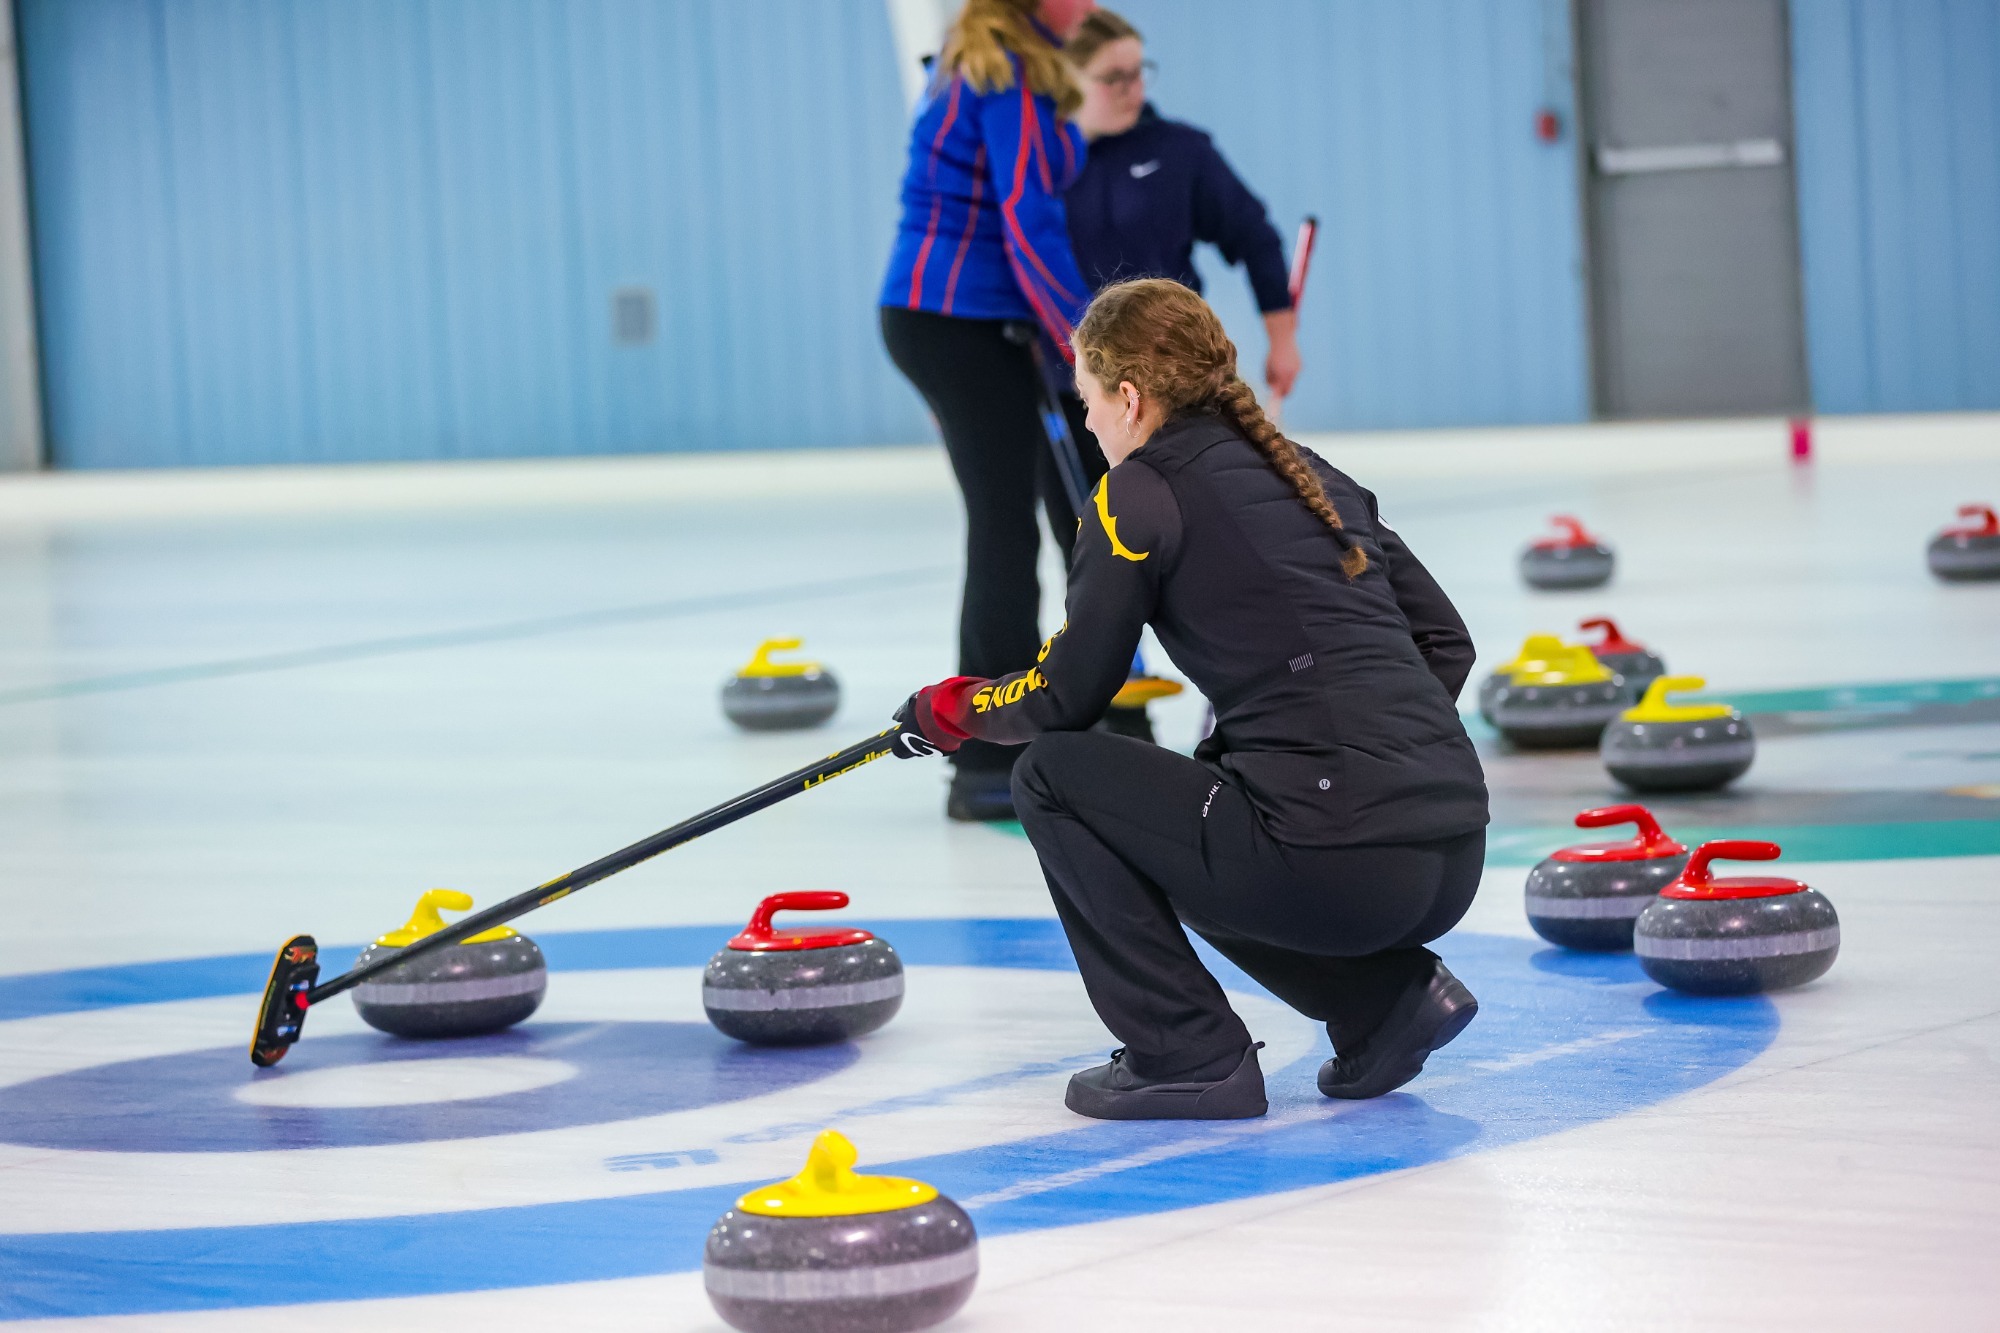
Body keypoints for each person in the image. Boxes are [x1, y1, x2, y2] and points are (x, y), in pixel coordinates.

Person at [886, 279, 1488, 1121]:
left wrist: (953, 711)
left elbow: (1065, 698)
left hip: (1339, 863)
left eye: (1088, 401)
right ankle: (1383, 999)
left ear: (1129, 397)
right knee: (1191, 804)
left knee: (1054, 777)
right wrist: (1375, 756)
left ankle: (1186, 1050)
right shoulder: (1313, 475)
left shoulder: (1136, 494)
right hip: (1454, 847)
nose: (1089, 423)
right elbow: (1446, 643)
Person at [879, 0, 1102, 823]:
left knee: (1042, 518)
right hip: (957, 320)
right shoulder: (1007, 72)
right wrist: (1088, 340)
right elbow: (1026, 218)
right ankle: (984, 756)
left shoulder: (991, 59)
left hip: (961, 320)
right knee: (1006, 529)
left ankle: (1052, 722)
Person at [1063, 9, 1302, 401]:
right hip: (1069, 375)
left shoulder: (1179, 150)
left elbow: (1255, 237)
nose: (1134, 89)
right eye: (1114, 78)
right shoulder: (1035, 163)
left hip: (1170, 369)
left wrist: (1282, 341)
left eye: (1138, 72)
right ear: (1067, 80)